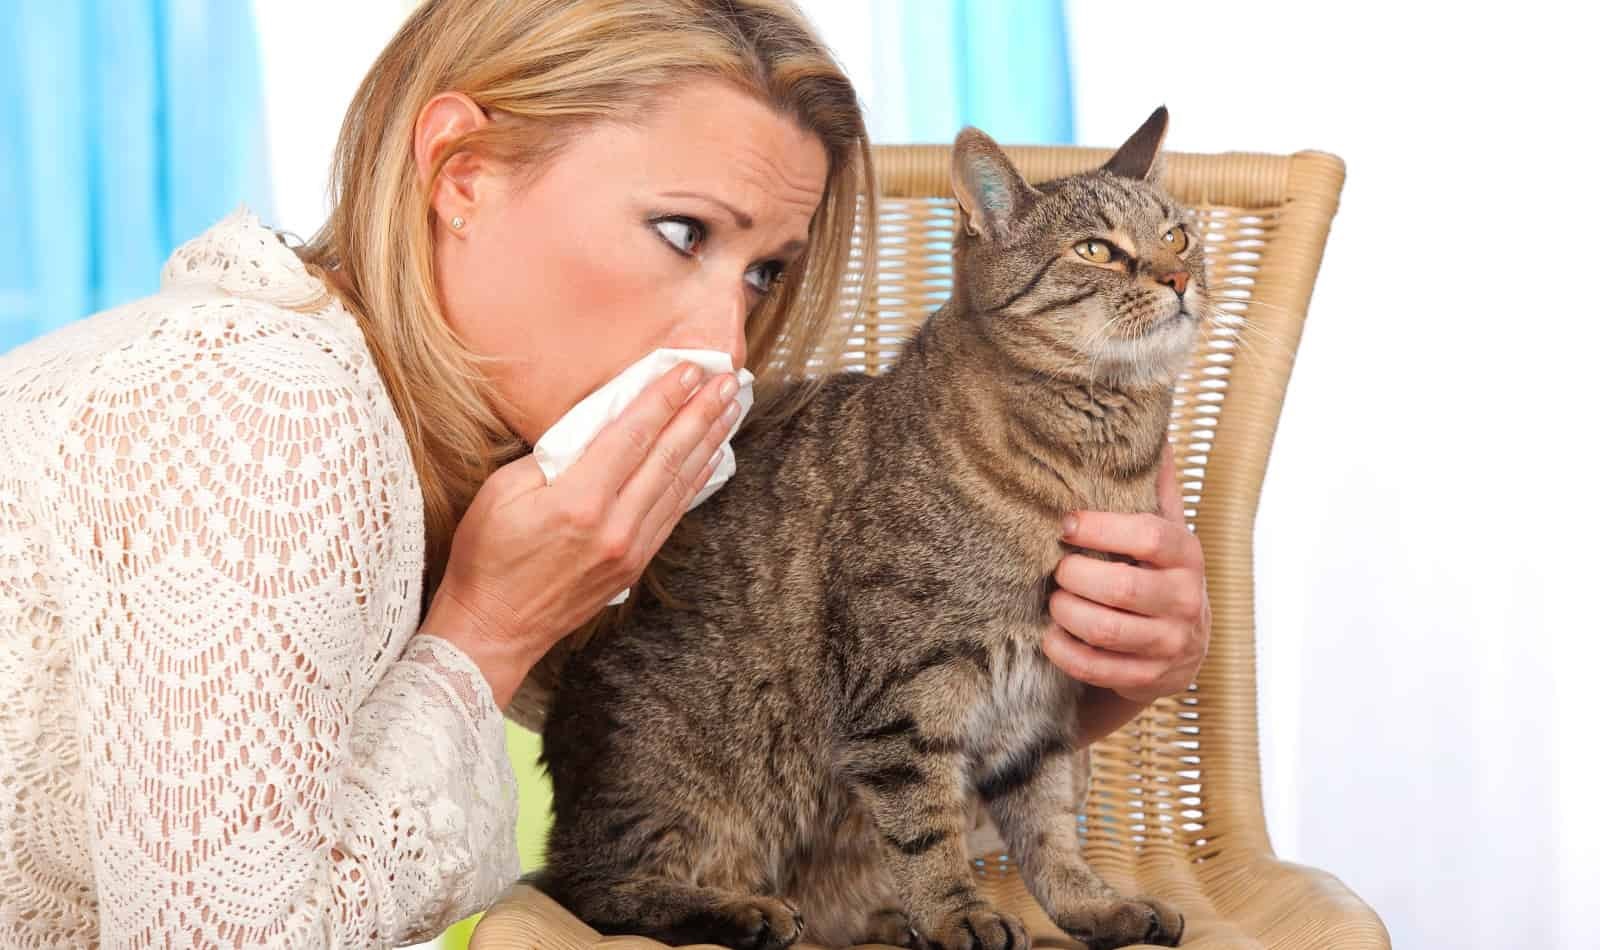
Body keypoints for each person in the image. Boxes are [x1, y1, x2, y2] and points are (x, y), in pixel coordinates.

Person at [0, 0, 1210, 946]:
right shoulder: (262, 402)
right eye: (682, 232)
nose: (724, 342)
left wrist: (1088, 671)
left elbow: (760, 721)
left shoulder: (469, 439)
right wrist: (486, 626)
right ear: (461, 172)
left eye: (762, 272)